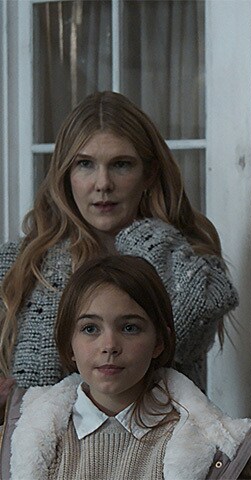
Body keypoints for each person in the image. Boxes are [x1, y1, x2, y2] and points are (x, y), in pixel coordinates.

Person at [0, 91, 238, 401]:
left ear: (149, 173)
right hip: (40, 432)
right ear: (66, 174)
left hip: (158, 430)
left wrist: (147, 238)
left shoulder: (187, 262)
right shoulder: (20, 264)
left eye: (121, 164)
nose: (103, 183)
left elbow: (183, 333)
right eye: (85, 164)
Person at [0, 255, 251, 479]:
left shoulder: (208, 447)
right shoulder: (20, 435)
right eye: (90, 328)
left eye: (129, 328)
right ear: (69, 345)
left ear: (158, 342)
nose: (109, 346)